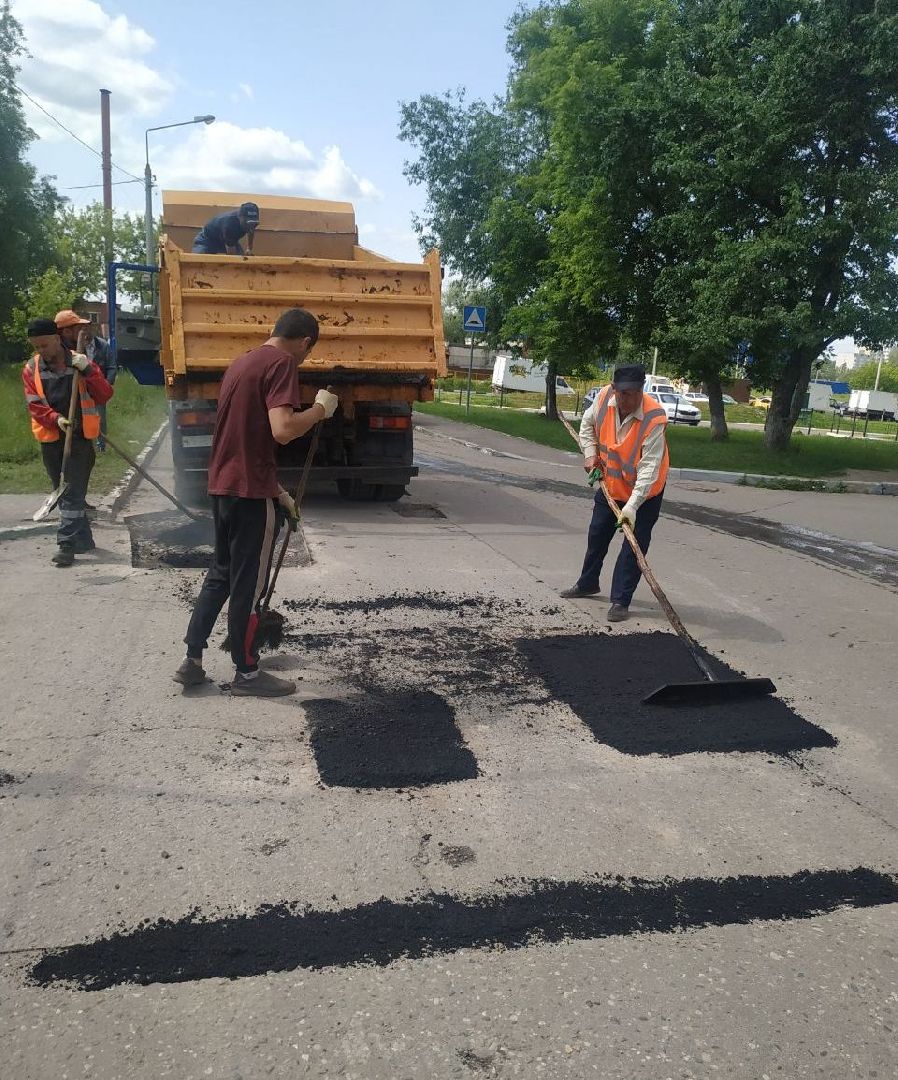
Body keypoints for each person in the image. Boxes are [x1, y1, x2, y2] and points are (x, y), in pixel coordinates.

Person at [173, 308, 339, 697]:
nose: (304, 359)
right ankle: (247, 674)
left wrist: (278, 491)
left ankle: (192, 660)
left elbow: (245, 439)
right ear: (304, 342)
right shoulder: (282, 363)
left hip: (225, 488)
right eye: (307, 352)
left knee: (221, 574)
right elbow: (282, 430)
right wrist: (319, 410)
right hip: (249, 496)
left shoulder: (242, 363)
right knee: (250, 583)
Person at [560, 364, 669, 621]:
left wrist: (631, 507)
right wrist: (590, 455)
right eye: (621, 393)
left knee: (633, 547)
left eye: (631, 393)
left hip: (644, 494)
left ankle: (620, 600)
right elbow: (587, 425)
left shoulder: (654, 418)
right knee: (597, 534)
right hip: (611, 484)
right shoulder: (604, 398)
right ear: (614, 388)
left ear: (641, 390)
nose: (624, 399)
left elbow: (649, 468)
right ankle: (588, 583)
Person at [23, 317, 114, 567]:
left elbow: (105, 394)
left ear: (56, 338)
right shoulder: (31, 369)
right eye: (36, 346)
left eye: (44, 345)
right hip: (52, 439)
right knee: (65, 494)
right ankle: (83, 539)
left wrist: (88, 370)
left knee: (71, 492)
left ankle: (66, 545)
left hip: (80, 440)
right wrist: (56, 419)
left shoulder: (80, 361)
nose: (41, 351)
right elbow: (34, 405)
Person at [55, 309, 116, 450]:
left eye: (85, 327)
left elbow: (106, 388)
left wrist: (91, 372)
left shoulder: (87, 354)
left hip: (82, 431)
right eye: (79, 328)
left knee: (100, 418)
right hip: (58, 434)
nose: (83, 331)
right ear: (66, 332)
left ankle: (101, 444)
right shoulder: (50, 361)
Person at [191, 201, 260, 255]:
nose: (250, 226)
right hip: (207, 240)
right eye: (247, 223)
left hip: (228, 240)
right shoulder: (230, 225)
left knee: (243, 262)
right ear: (240, 217)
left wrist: (249, 249)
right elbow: (231, 257)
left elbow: (251, 231)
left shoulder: (251, 224)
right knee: (196, 262)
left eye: (253, 223)